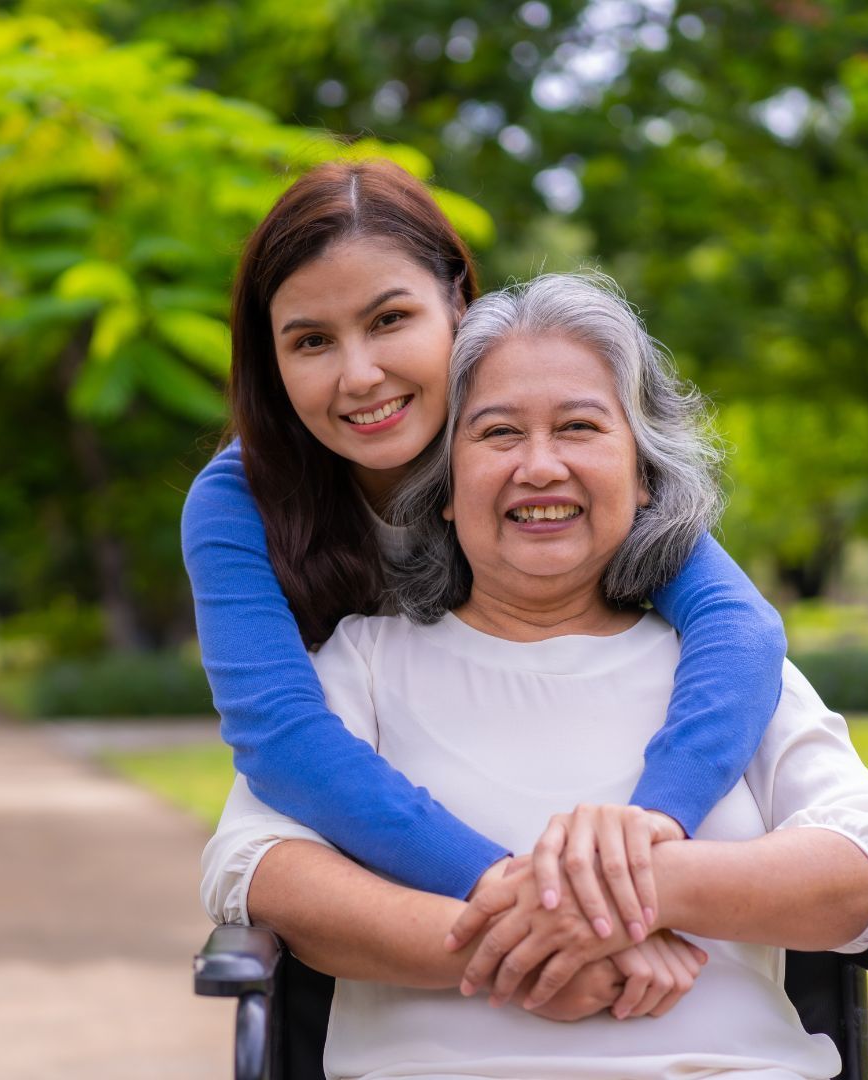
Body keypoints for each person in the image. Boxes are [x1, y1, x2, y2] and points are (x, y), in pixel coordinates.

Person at [201, 273, 868, 1079]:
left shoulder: (724, 673)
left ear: (644, 473)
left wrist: (645, 880)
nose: (540, 466)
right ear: (444, 490)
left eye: (580, 426)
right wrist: (538, 949)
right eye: (498, 433)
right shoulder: (364, 662)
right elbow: (260, 866)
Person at [182, 159, 788, 937]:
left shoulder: (550, 468)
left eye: (390, 319)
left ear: (458, 307)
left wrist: (644, 837)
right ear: (271, 360)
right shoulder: (238, 502)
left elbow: (740, 629)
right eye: (311, 341)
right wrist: (522, 896)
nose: (360, 374)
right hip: (394, 893)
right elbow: (282, 738)